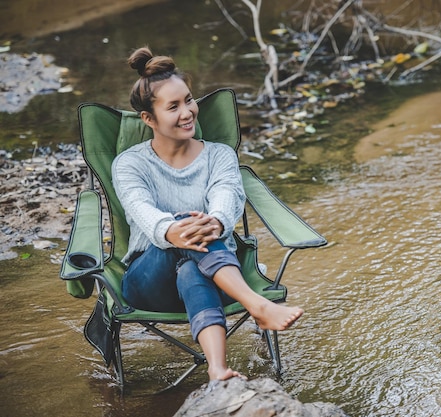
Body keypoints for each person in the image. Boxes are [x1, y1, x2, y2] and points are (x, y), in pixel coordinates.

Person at [111, 46, 303, 381]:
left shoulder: (220, 155)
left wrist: (215, 222)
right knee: (185, 232)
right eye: (174, 106)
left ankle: (217, 369)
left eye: (188, 100)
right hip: (148, 283)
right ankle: (257, 306)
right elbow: (141, 209)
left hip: (215, 275)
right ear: (148, 119)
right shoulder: (129, 164)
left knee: (191, 268)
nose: (187, 112)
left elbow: (227, 197)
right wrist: (175, 231)